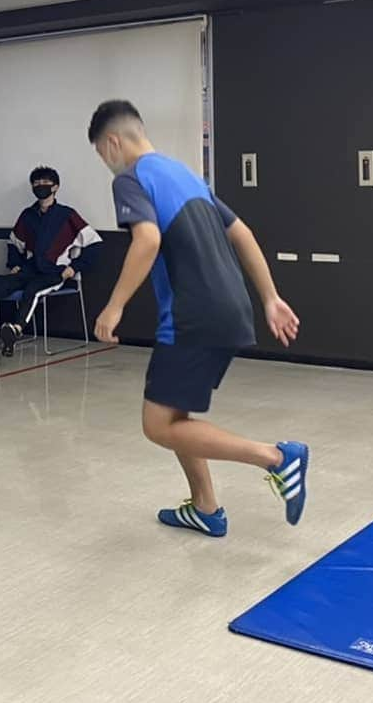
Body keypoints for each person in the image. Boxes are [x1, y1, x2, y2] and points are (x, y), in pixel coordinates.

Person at [87, 100, 306, 538]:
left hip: (192, 315)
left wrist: (114, 306)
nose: (107, 165)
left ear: (112, 142)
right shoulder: (184, 174)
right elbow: (241, 232)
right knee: (175, 414)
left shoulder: (131, 179)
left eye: (101, 155)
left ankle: (279, 458)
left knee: (157, 426)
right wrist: (269, 297)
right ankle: (206, 507)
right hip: (229, 307)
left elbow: (146, 240)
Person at [0, 166, 103, 357]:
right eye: (36, 183)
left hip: (54, 273)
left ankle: (15, 329)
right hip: (28, 270)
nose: (40, 187)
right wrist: (14, 264)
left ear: (56, 187)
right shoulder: (27, 215)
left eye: (45, 183)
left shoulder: (68, 215)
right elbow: (13, 242)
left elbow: (95, 244)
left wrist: (73, 268)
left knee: (32, 291)